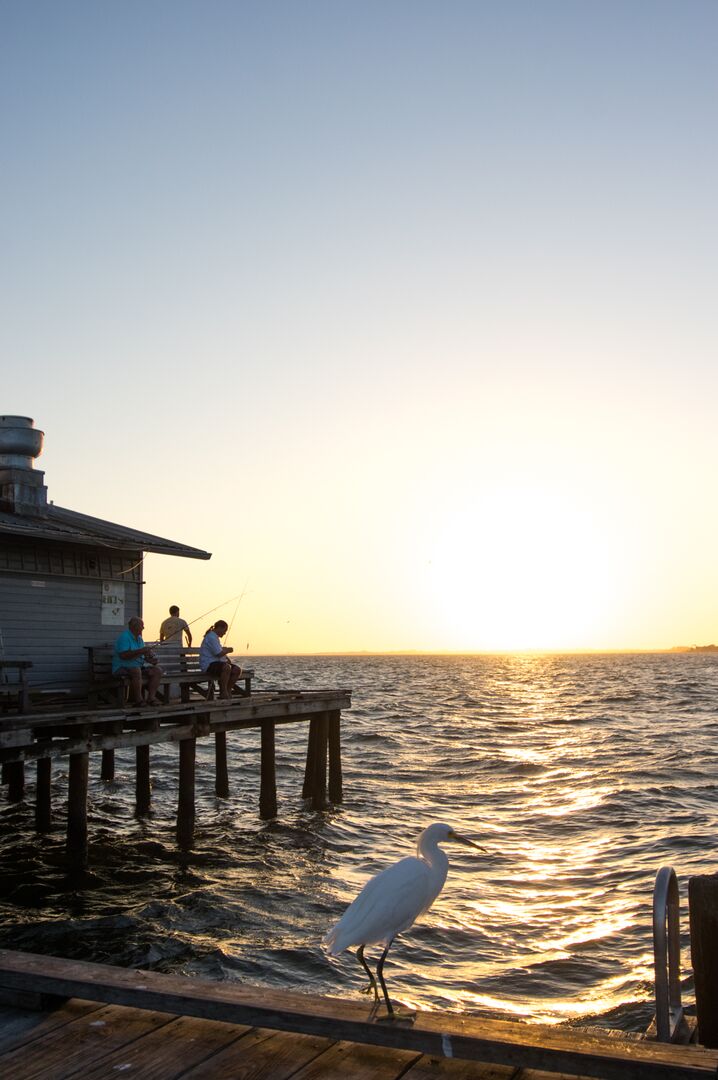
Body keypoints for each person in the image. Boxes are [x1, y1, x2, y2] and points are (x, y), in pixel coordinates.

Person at [112, 616, 163, 705]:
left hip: (137, 666)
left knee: (157, 670)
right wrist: (141, 650)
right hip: (121, 667)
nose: (143, 628)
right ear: (135, 626)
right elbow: (123, 656)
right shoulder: (124, 637)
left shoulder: (139, 639)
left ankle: (151, 698)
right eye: (142, 625)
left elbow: (142, 655)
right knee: (136, 670)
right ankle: (139, 700)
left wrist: (151, 660)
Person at [199, 620, 242, 700]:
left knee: (237, 670)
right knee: (226, 668)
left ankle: (228, 690)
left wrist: (226, 657)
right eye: (224, 630)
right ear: (219, 628)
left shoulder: (215, 638)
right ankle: (223, 691)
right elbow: (218, 653)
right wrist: (228, 650)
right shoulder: (211, 637)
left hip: (217, 664)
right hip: (208, 665)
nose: (224, 633)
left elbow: (220, 652)